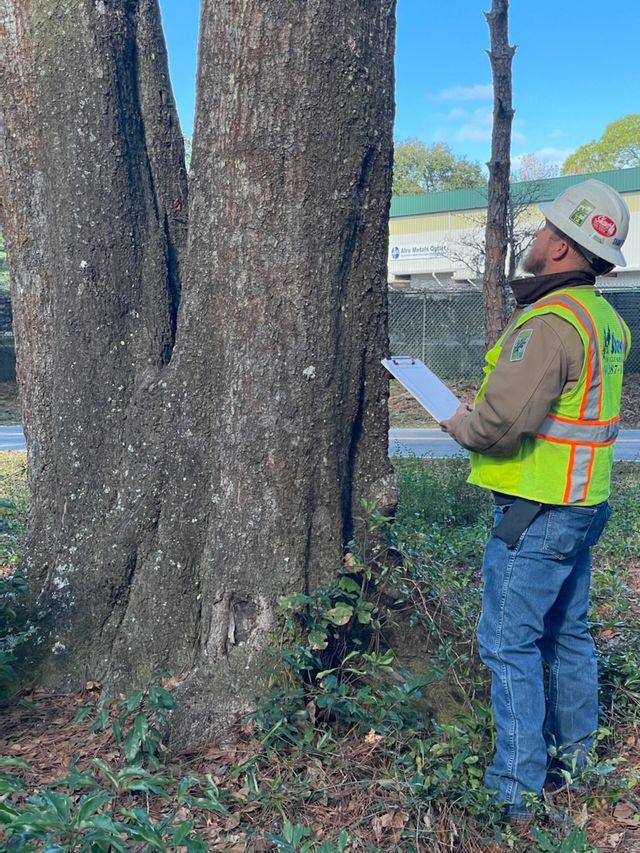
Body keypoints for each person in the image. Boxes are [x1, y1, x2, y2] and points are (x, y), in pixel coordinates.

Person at [441, 179, 632, 820]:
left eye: (544, 229)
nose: (535, 237)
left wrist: (457, 422)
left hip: (538, 510)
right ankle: (582, 761)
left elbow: (501, 422)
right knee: (569, 633)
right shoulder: (604, 320)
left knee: (508, 643)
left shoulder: (550, 323)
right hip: (584, 504)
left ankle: (517, 794)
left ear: (559, 247)